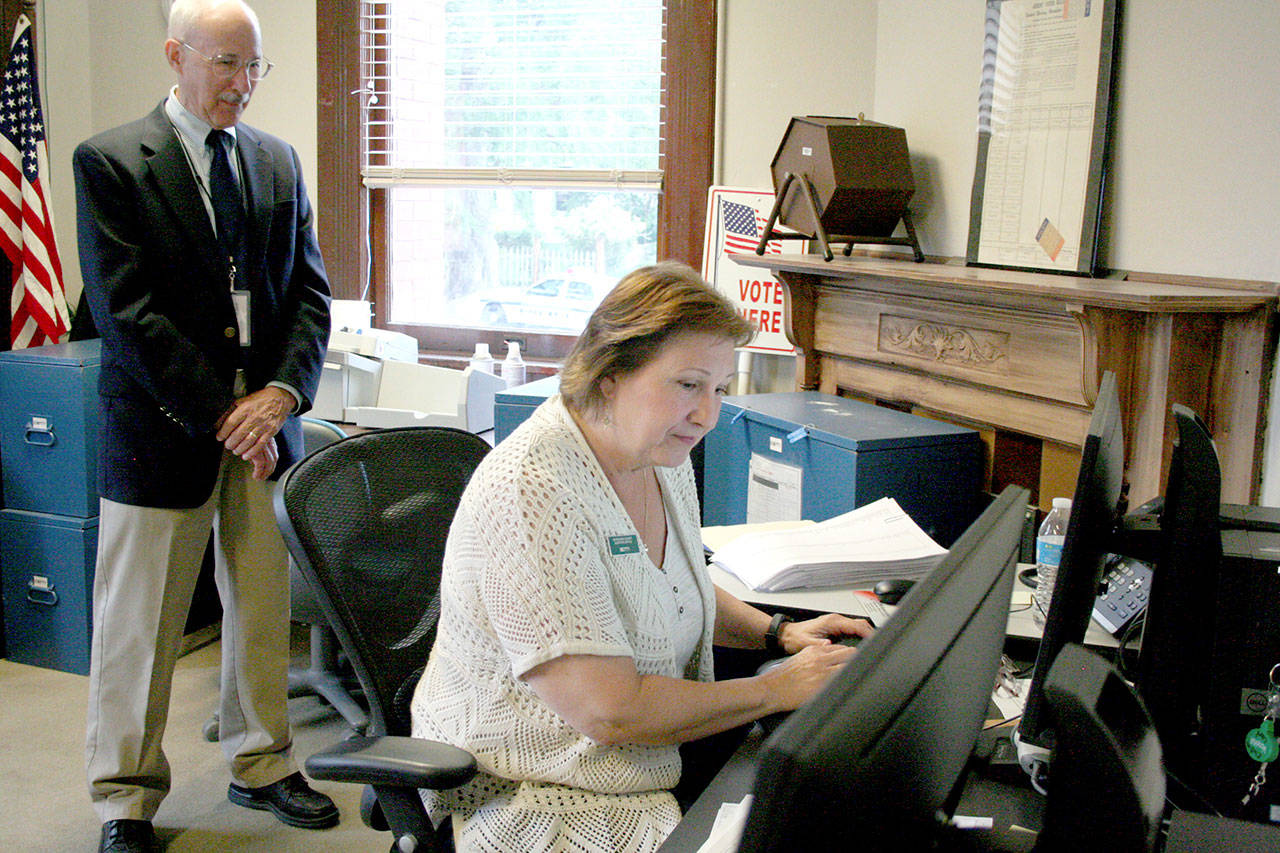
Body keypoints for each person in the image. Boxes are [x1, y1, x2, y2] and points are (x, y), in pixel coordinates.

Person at [410, 262, 875, 851]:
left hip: (648, 756)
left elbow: (677, 588)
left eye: (719, 389)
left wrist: (779, 635)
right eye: (688, 385)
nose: (707, 414)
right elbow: (611, 713)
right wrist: (778, 690)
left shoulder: (655, 455)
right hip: (532, 785)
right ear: (611, 375)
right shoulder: (534, 490)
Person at [72, 1, 335, 850]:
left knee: (260, 610)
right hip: (161, 429)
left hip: (263, 431)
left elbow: (309, 296)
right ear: (176, 56)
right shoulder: (111, 161)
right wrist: (229, 413)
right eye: (227, 65)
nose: (243, 84)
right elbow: (126, 312)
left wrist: (283, 398)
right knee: (138, 624)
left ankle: (264, 764)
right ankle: (125, 796)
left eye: (255, 67)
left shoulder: (277, 161)